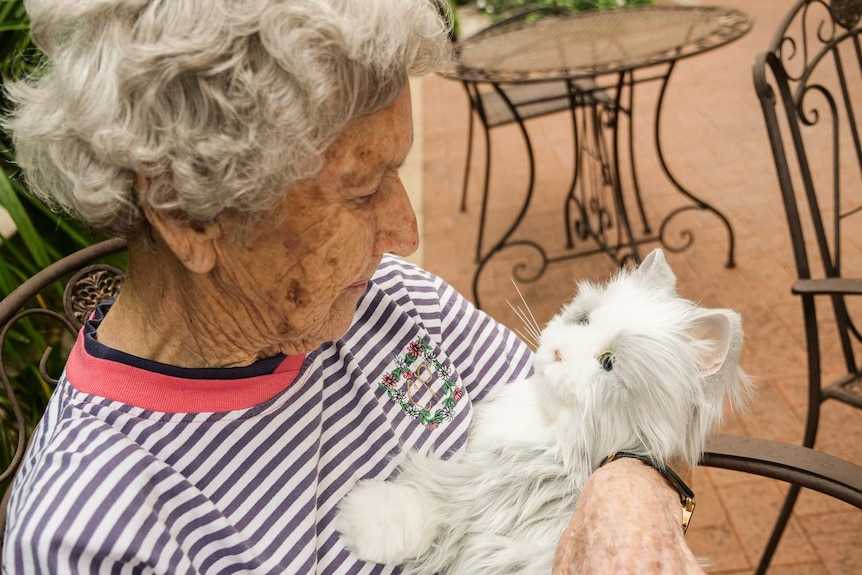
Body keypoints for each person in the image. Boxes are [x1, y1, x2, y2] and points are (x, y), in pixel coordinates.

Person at [2, 0, 705, 573]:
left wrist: (629, 483)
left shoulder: (385, 300)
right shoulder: (92, 532)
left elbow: (617, 411)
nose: (406, 232)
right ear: (187, 216)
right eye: (363, 189)